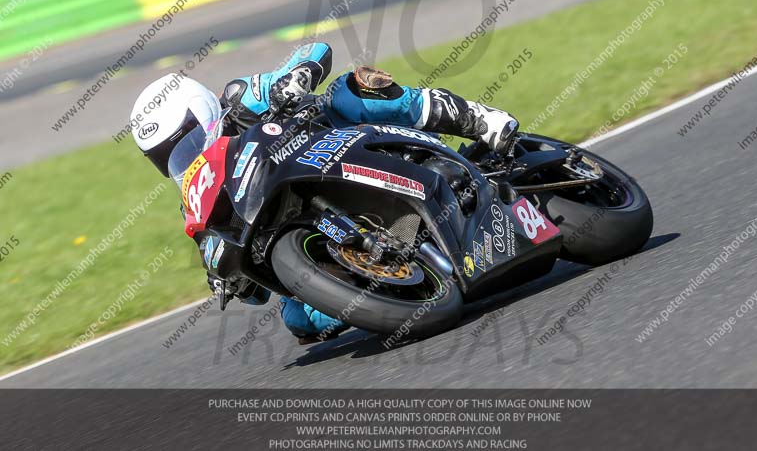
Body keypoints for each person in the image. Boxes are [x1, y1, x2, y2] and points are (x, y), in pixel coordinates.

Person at [130, 42, 518, 344]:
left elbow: (314, 50)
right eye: (167, 157)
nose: (182, 158)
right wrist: (227, 278)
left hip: (338, 147)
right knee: (300, 321)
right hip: (303, 222)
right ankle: (394, 279)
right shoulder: (195, 198)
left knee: (351, 90)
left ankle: (476, 119)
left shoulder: (240, 98)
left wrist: (295, 77)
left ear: (202, 113)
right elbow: (251, 290)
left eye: (187, 141)